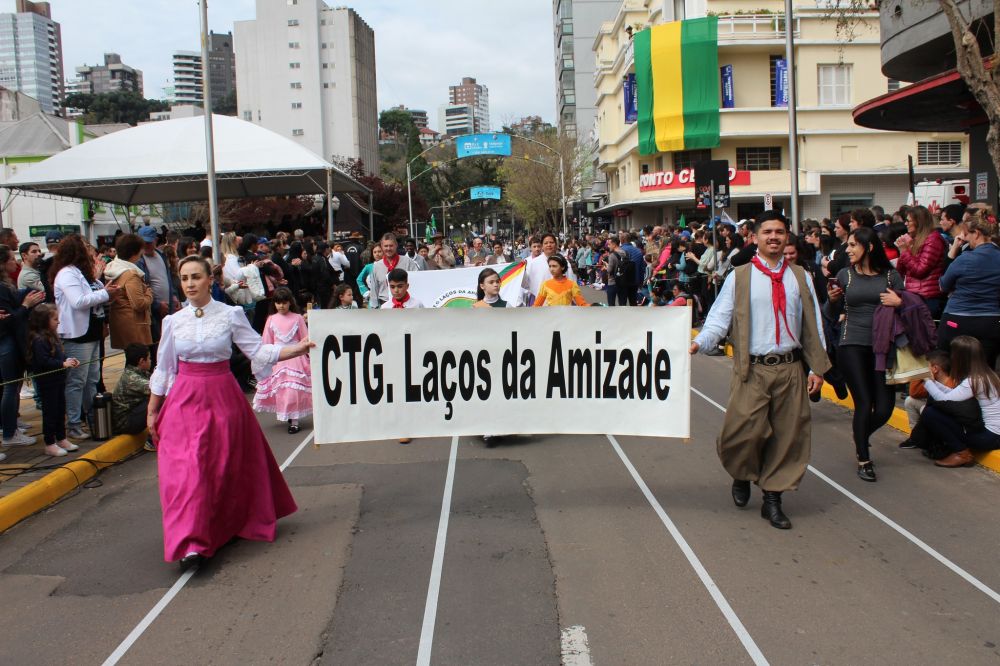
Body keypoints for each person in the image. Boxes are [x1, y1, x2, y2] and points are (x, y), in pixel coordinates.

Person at [148, 255, 313, 570]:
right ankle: (190, 543)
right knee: (186, 471)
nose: (190, 284)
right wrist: (153, 410)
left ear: (210, 279)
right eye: (184, 278)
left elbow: (258, 350)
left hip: (222, 398)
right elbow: (165, 368)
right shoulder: (173, 321)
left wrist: (298, 348)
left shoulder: (231, 315)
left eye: (196, 277)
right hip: (183, 401)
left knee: (221, 469)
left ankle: (221, 526)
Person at [691, 211, 829, 530]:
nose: (774, 237)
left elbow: (814, 325)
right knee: (741, 433)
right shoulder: (740, 276)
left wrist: (817, 368)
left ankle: (772, 499)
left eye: (779, 232)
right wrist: (701, 342)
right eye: (767, 231)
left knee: (787, 437)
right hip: (752, 370)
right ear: (755, 236)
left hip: (790, 367)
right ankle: (742, 472)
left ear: (787, 236)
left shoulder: (800, 277)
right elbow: (718, 318)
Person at [825, 227, 905, 482]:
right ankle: (864, 458)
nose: (847, 250)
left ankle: (860, 435)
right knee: (863, 402)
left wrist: (900, 303)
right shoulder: (844, 275)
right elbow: (829, 312)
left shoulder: (891, 276)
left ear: (868, 247)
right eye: (847, 245)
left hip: (884, 346)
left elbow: (912, 307)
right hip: (852, 344)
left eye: (852, 245)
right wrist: (832, 299)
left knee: (884, 408)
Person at [52, 234, 120, 441]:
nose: (92, 253)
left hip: (91, 331)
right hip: (78, 335)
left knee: (91, 378)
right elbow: (79, 301)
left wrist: (104, 287)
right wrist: (106, 293)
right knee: (77, 380)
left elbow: (96, 293)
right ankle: (74, 423)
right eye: (87, 249)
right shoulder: (67, 274)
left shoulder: (82, 274)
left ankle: (94, 418)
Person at [919, 336, 1000, 467]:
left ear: (961, 358)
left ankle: (962, 454)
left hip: (989, 438)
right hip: (994, 435)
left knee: (931, 414)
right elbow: (951, 394)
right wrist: (932, 382)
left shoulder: (974, 380)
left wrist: (926, 380)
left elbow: (944, 399)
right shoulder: (988, 375)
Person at [936, 210, 1000, 368]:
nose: (966, 239)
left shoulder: (965, 259)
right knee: (985, 369)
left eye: (967, 234)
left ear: (976, 234)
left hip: (957, 319)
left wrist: (954, 250)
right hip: (991, 321)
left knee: (950, 366)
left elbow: (943, 285)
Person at [1, 247, 45, 452]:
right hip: (7, 343)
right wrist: (26, 305)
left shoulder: (6, 285)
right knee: (11, 387)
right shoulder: (2, 289)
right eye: (11, 259)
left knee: (12, 387)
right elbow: (8, 320)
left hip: (10, 342)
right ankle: (9, 432)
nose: (15, 262)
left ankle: (11, 425)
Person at [253, 287, 313, 434]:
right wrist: (264, 360)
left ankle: (294, 420)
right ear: (274, 304)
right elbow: (267, 341)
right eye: (278, 303)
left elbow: (304, 337)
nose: (281, 306)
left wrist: (306, 351)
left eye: (284, 302)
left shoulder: (297, 318)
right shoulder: (271, 319)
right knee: (282, 390)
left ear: (289, 302)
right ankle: (288, 413)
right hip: (278, 357)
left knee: (293, 389)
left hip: (295, 356)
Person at [26, 304, 80, 457]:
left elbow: (59, 355)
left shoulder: (52, 336)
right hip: (47, 382)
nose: (58, 322)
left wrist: (68, 360)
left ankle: (61, 437)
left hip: (58, 380)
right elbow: (43, 361)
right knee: (50, 412)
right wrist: (62, 364)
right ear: (44, 321)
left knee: (60, 409)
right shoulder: (38, 340)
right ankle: (50, 442)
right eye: (55, 319)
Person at [380, 268, 423, 445]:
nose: (396, 290)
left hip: (413, 351)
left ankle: (411, 423)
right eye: (392, 287)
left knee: (411, 389)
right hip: (393, 352)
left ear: (407, 285)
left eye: (400, 286)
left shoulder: (417, 304)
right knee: (396, 390)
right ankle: (401, 425)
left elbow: (425, 327)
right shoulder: (385, 307)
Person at [894, 205, 947, 319]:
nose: (906, 224)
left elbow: (920, 270)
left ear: (918, 221)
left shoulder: (933, 240)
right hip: (914, 295)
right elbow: (901, 271)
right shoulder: (915, 239)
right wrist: (905, 249)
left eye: (908, 221)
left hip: (926, 297)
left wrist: (904, 251)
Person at [104, 233, 153, 352]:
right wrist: (149, 294)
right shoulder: (130, 274)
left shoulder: (113, 268)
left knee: (130, 359)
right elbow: (139, 304)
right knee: (138, 361)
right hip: (134, 326)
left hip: (120, 322)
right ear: (135, 252)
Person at [111, 343, 153, 450]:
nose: (150, 361)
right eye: (149, 358)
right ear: (141, 361)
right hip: (126, 423)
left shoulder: (138, 371)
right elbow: (157, 390)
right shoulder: (132, 379)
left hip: (133, 413)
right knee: (158, 400)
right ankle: (151, 441)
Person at [371, 234, 419, 308]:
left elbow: (417, 282)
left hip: (407, 305)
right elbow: (374, 289)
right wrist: (374, 307)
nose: (388, 248)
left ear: (396, 245)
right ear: (382, 247)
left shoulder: (408, 262)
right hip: (385, 304)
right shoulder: (377, 266)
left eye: (391, 245)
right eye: (386, 246)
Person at [356, 244, 383, 309]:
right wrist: (366, 292)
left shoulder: (389, 265)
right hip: (373, 297)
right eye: (375, 252)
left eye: (379, 251)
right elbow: (359, 279)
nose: (377, 254)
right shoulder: (369, 267)